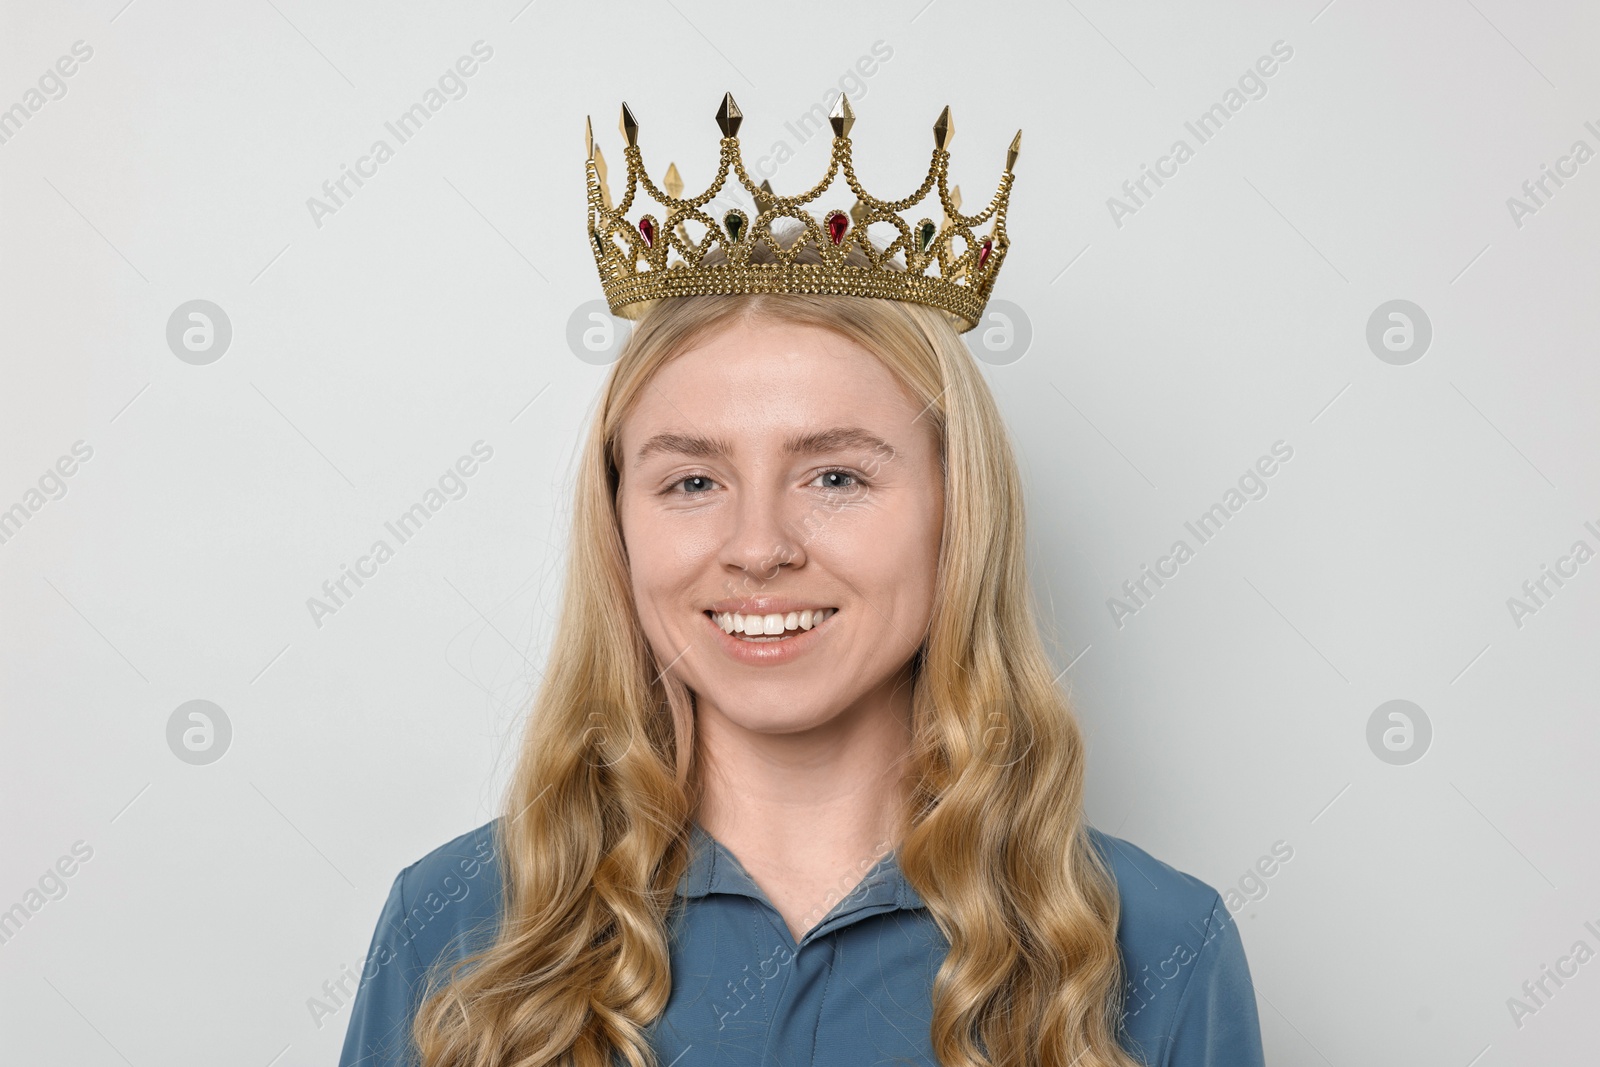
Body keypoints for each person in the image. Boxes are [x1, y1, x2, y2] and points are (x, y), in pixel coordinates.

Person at [338, 95, 1265, 1067]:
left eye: (835, 476)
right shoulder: (458, 928)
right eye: (692, 480)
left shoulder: (1156, 947)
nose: (758, 545)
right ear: (618, 522)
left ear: (959, 512)